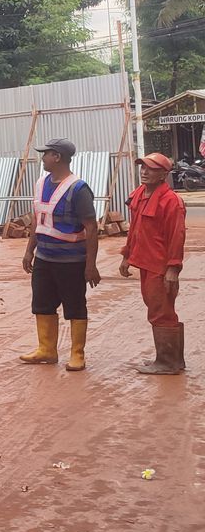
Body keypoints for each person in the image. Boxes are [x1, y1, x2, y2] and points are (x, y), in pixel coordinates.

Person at [20, 138, 101, 370]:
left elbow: (91, 227)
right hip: (45, 259)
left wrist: (90, 265)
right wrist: (29, 251)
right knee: (42, 304)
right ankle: (46, 350)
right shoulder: (41, 183)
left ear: (57, 157)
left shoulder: (79, 189)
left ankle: (77, 354)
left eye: (46, 154)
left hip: (71, 261)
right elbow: (38, 219)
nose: (42, 157)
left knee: (75, 306)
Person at [120, 153, 187, 375]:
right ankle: (172, 360)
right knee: (157, 309)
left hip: (160, 266)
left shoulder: (171, 202)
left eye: (151, 168)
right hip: (145, 262)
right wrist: (126, 255)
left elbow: (176, 237)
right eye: (143, 167)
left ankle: (167, 363)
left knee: (161, 312)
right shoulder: (140, 194)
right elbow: (135, 229)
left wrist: (172, 269)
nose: (144, 171)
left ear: (164, 175)